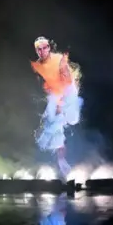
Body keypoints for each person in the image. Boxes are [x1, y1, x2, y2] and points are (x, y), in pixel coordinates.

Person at [31, 36, 83, 179]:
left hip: (67, 95)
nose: (41, 51)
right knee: (49, 129)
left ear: (49, 47)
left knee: (58, 123)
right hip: (55, 96)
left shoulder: (59, 61)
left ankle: (61, 161)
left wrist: (62, 103)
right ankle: (60, 162)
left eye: (44, 48)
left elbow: (66, 84)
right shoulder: (39, 65)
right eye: (38, 49)